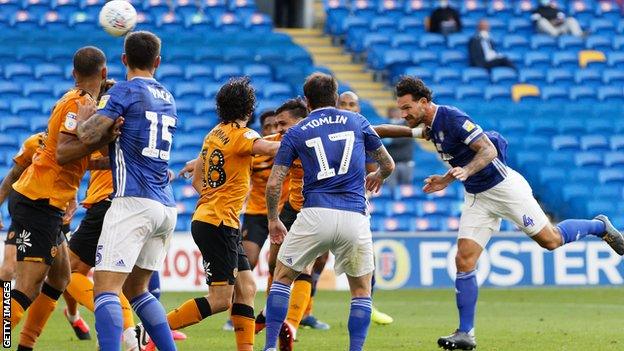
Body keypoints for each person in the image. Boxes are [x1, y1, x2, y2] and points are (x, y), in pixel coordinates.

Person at [394, 76, 624, 351]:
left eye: (407, 108)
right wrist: (361, 129)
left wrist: (465, 172)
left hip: (504, 189)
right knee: (464, 260)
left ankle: (599, 226)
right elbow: (395, 132)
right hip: (478, 197)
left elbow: (488, 150)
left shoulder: (452, 118)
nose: (403, 114)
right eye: (401, 109)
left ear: (423, 102)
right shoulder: (430, 127)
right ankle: (466, 333)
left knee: (550, 241)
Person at [262, 72, 395, 351]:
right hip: (354, 215)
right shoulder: (358, 121)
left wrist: (274, 219)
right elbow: (389, 164)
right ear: (336, 98)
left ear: (307, 102)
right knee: (360, 292)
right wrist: (380, 175)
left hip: (315, 213)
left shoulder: (297, 131)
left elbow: (275, 181)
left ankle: (270, 347)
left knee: (283, 277)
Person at [75, 31, 178, 351]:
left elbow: (88, 137)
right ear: (157, 62)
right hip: (166, 207)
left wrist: (83, 122)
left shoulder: (124, 91)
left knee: (105, 289)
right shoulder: (168, 96)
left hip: (133, 201)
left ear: (123, 60)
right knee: (138, 289)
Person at [164, 77, 279, 351]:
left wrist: (214, 198)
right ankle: (150, 330)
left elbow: (196, 181)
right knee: (219, 299)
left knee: (247, 286)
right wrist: (304, 138)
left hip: (211, 219)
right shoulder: (243, 136)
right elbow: (270, 148)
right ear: (249, 110)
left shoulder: (215, 134)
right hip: (219, 224)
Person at [7, 46, 113, 340]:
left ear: (73, 74)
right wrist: (99, 138)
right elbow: (66, 153)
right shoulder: (75, 104)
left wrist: (111, 156)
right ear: (103, 73)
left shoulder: (80, 101)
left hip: (43, 202)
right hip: (38, 201)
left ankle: (26, 346)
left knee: (61, 277)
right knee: (26, 285)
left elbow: (77, 158)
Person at [338, 91, 395, 325]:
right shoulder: (321, 130)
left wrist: (376, 177)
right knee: (312, 264)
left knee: (366, 260)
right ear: (335, 106)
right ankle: (302, 312)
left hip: (353, 205)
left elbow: (375, 165)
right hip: (319, 203)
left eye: (352, 104)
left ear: (358, 110)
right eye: (343, 104)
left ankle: (368, 306)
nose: (348, 108)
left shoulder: (361, 133)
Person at [0, 132, 47, 285]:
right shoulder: (35, 143)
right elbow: (13, 175)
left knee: (62, 276)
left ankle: (72, 311)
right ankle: (6, 308)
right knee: (10, 268)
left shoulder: (75, 144)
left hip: (54, 211)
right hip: (26, 207)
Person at [384, 107, 415, 188]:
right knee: (391, 188)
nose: (394, 114)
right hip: (390, 164)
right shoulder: (386, 125)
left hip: (405, 162)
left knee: (406, 190)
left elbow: (404, 138)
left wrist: (391, 140)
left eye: (396, 112)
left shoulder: (407, 125)